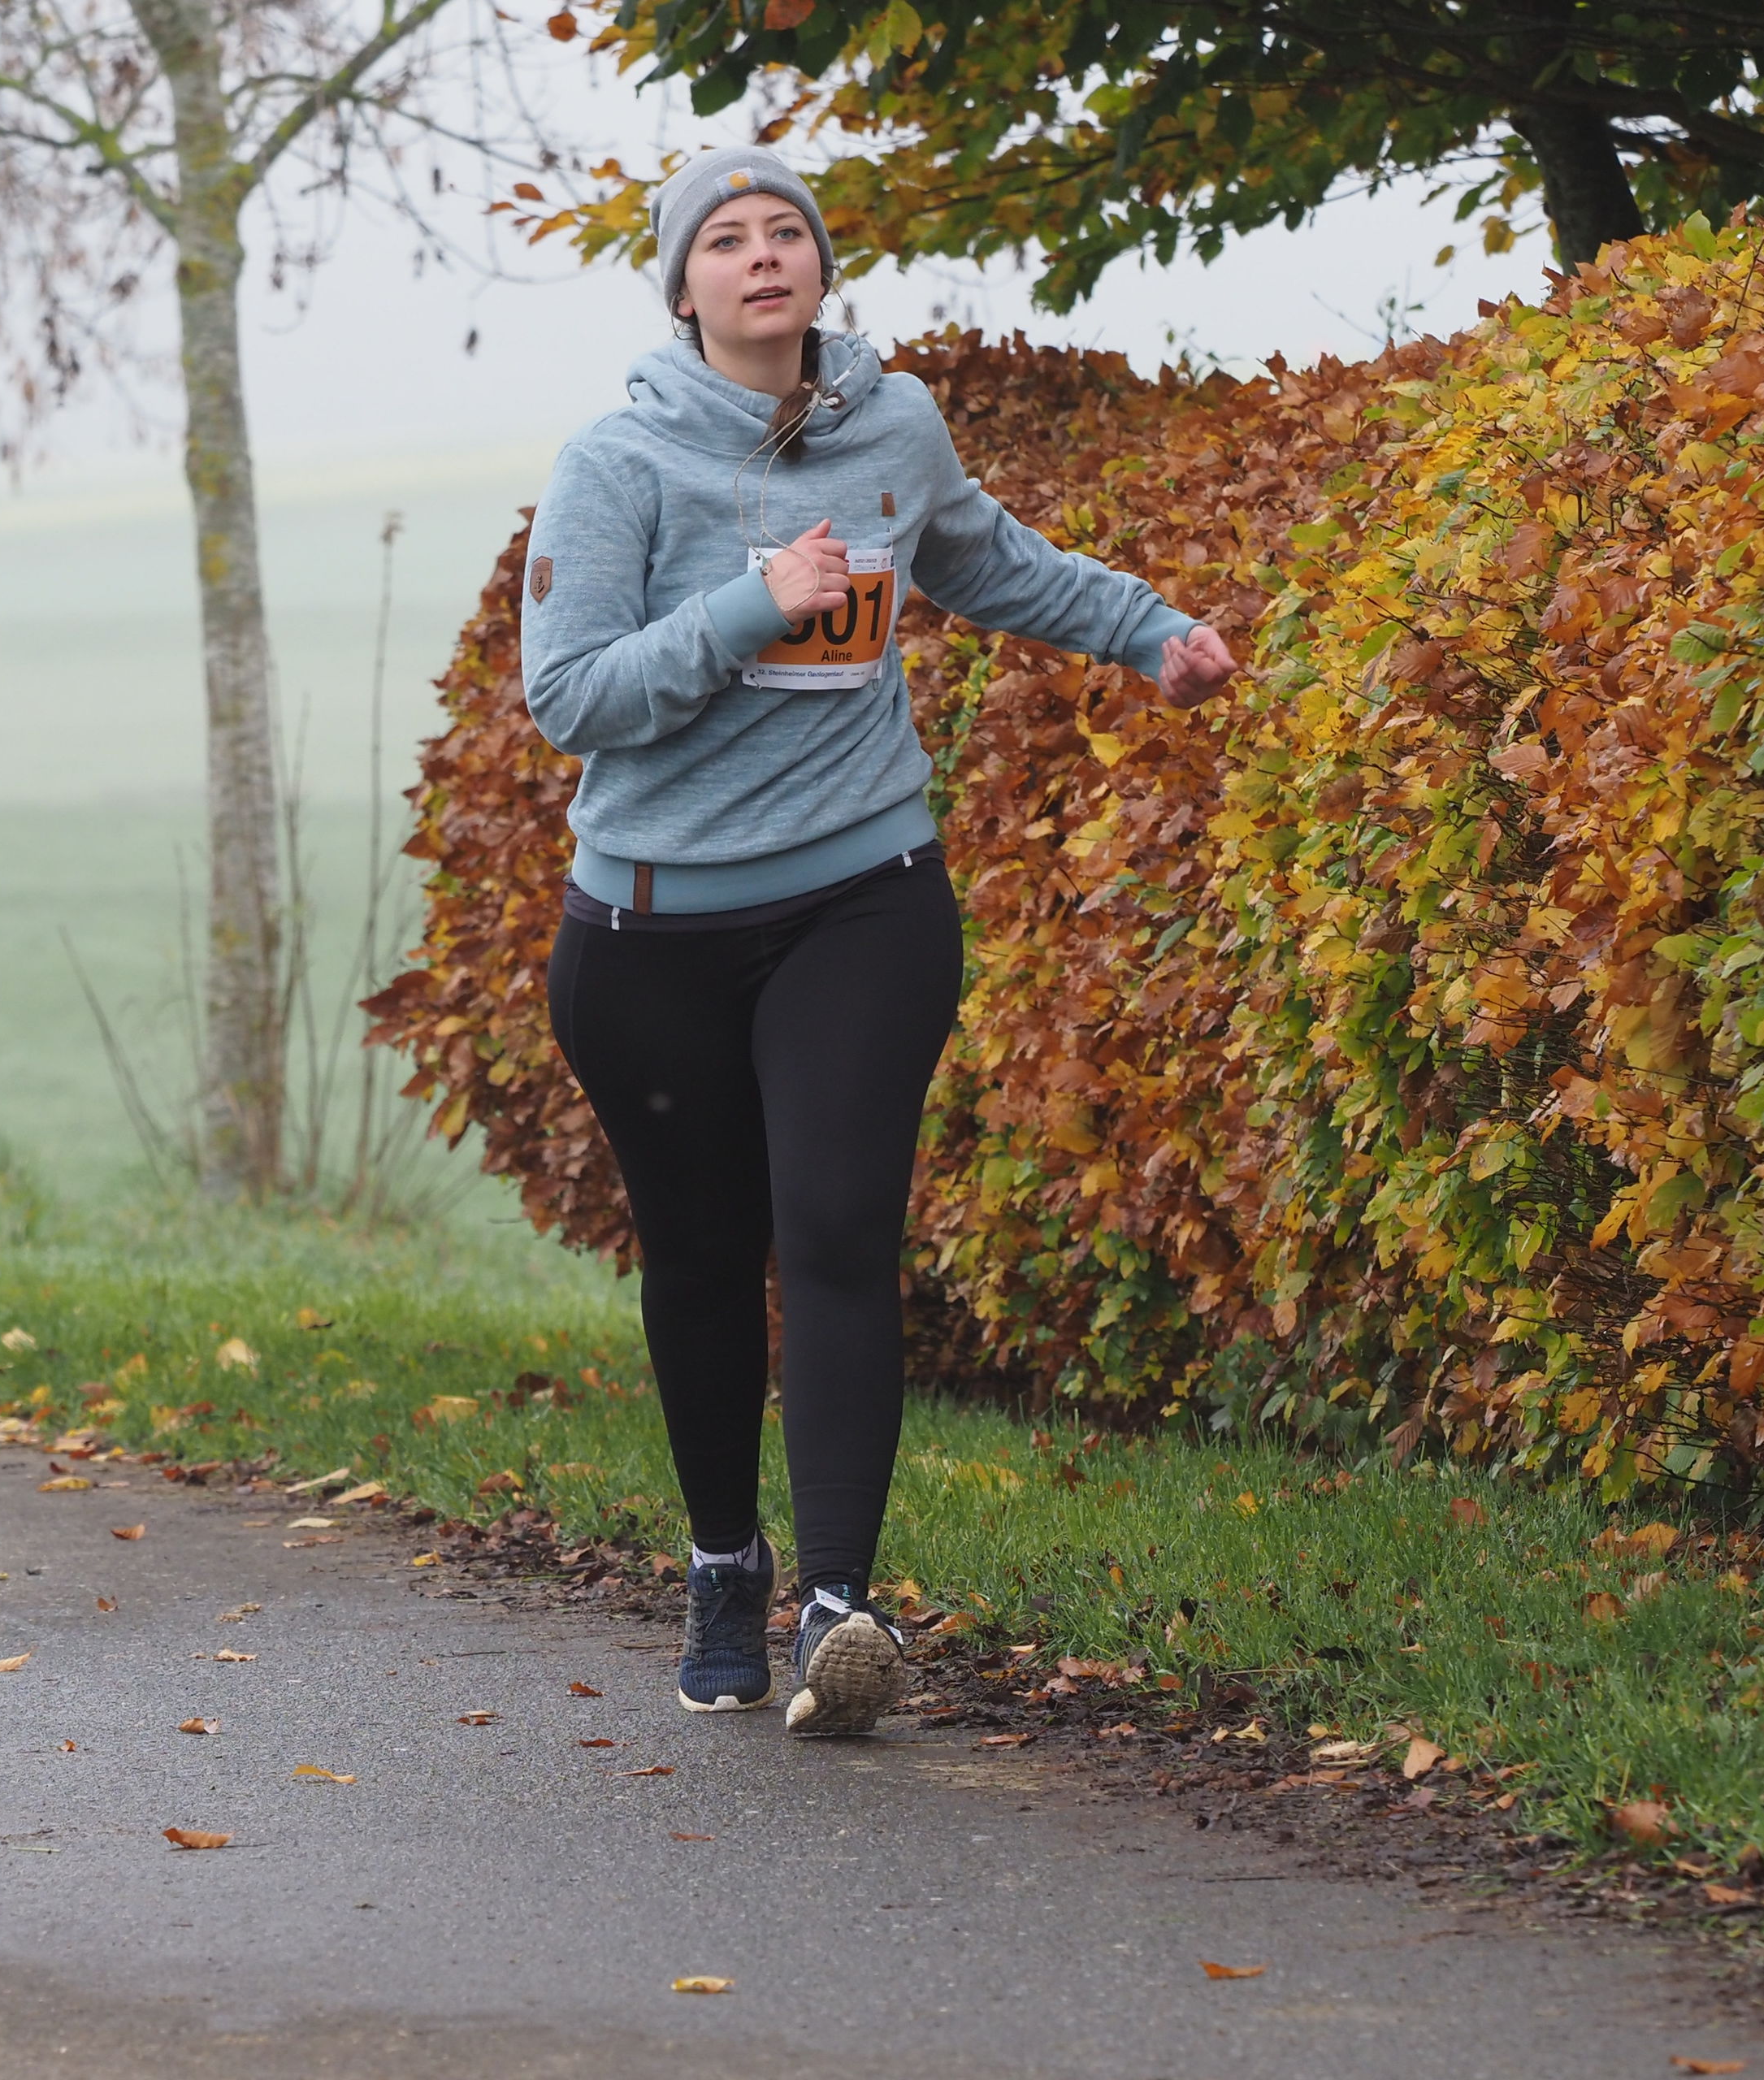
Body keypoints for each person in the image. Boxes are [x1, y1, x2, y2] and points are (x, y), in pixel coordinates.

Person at [519, 145, 1237, 1736]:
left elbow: (986, 559)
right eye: (726, 238)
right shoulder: (619, 463)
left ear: (820, 267)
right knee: (705, 1256)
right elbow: (571, 697)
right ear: (684, 287)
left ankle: (839, 1610)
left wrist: (1147, 632)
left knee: (841, 1227)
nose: (763, 254)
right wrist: (751, 607)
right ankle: (725, 1560)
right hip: (651, 931)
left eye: (786, 230)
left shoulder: (891, 427)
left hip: (862, 895)